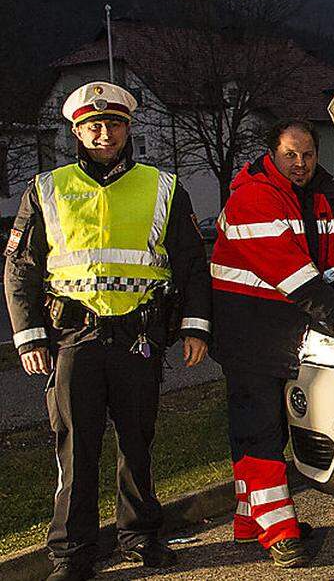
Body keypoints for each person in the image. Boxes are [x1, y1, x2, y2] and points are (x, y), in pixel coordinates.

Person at [4, 82, 212, 581]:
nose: (104, 132)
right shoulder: (46, 188)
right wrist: (29, 333)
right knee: (75, 448)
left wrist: (195, 326)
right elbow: (20, 267)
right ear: (76, 131)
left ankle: (141, 536)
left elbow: (190, 262)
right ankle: (72, 554)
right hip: (74, 340)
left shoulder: (163, 187)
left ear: (127, 129)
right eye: (92, 125)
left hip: (139, 336)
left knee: (138, 444)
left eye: (113, 123)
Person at [208, 119, 334, 568]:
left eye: (308, 154)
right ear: (272, 154)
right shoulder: (252, 196)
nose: (300, 163)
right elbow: (290, 271)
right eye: (290, 154)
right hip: (246, 329)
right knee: (261, 429)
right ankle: (281, 534)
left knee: (257, 424)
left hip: (274, 328)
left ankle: (249, 523)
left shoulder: (313, 198)